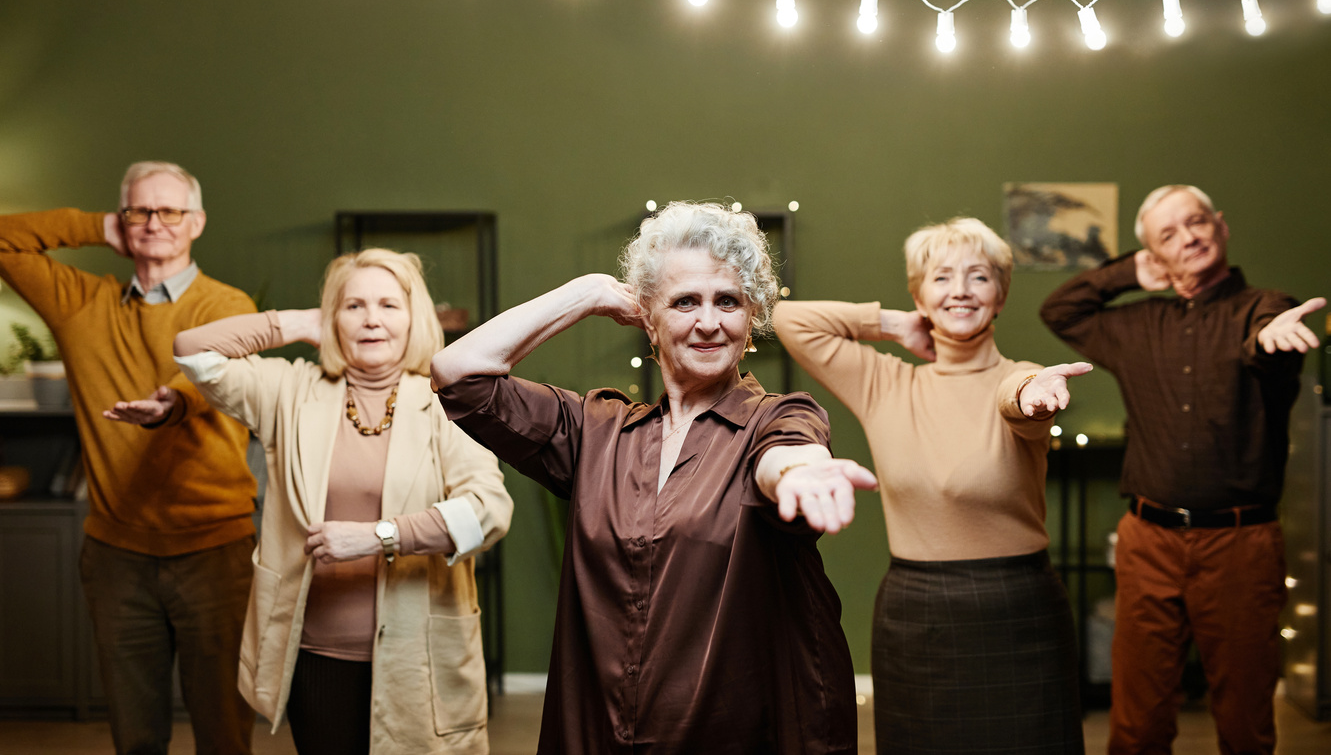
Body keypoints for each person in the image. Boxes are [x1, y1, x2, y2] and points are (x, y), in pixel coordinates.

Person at [431, 201, 876, 754]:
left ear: (751, 315)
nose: (709, 322)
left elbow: (785, 453)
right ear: (648, 316)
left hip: (736, 734)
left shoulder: (779, 416)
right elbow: (456, 374)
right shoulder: (598, 431)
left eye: (728, 301)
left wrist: (797, 475)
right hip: (604, 729)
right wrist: (588, 293)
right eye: (685, 301)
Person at [172, 248, 513, 755]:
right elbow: (192, 349)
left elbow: (488, 511)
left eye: (388, 306)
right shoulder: (288, 390)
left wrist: (379, 536)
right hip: (315, 652)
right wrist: (294, 322)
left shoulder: (449, 401)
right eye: (353, 306)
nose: (372, 319)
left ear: (414, 317)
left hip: (419, 655)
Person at [773, 217, 1091, 754]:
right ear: (919, 293)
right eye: (941, 278)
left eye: (979, 277)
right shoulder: (886, 384)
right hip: (916, 613)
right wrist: (893, 324)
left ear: (1001, 294)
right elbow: (787, 318)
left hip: (1018, 607)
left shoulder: (1028, 377)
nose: (961, 291)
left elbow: (1019, 397)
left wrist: (1032, 396)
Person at [1039, 184, 1325, 755]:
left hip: (1242, 546)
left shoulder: (1264, 309)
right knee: (1138, 723)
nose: (1189, 237)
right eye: (1168, 234)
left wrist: (1270, 340)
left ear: (1220, 225)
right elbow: (1060, 309)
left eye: (1195, 222)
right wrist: (1126, 275)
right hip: (1149, 542)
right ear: (1153, 255)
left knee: (1245, 723)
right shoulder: (1133, 325)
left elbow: (1266, 341)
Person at [0, 162, 258, 754]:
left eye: (169, 211)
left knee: (225, 738)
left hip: (215, 553)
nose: (154, 224)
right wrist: (96, 226)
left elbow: (217, 374)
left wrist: (174, 404)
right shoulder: (79, 304)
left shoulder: (225, 302)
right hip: (116, 557)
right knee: (135, 740)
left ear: (196, 223)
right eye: (139, 211)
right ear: (123, 221)